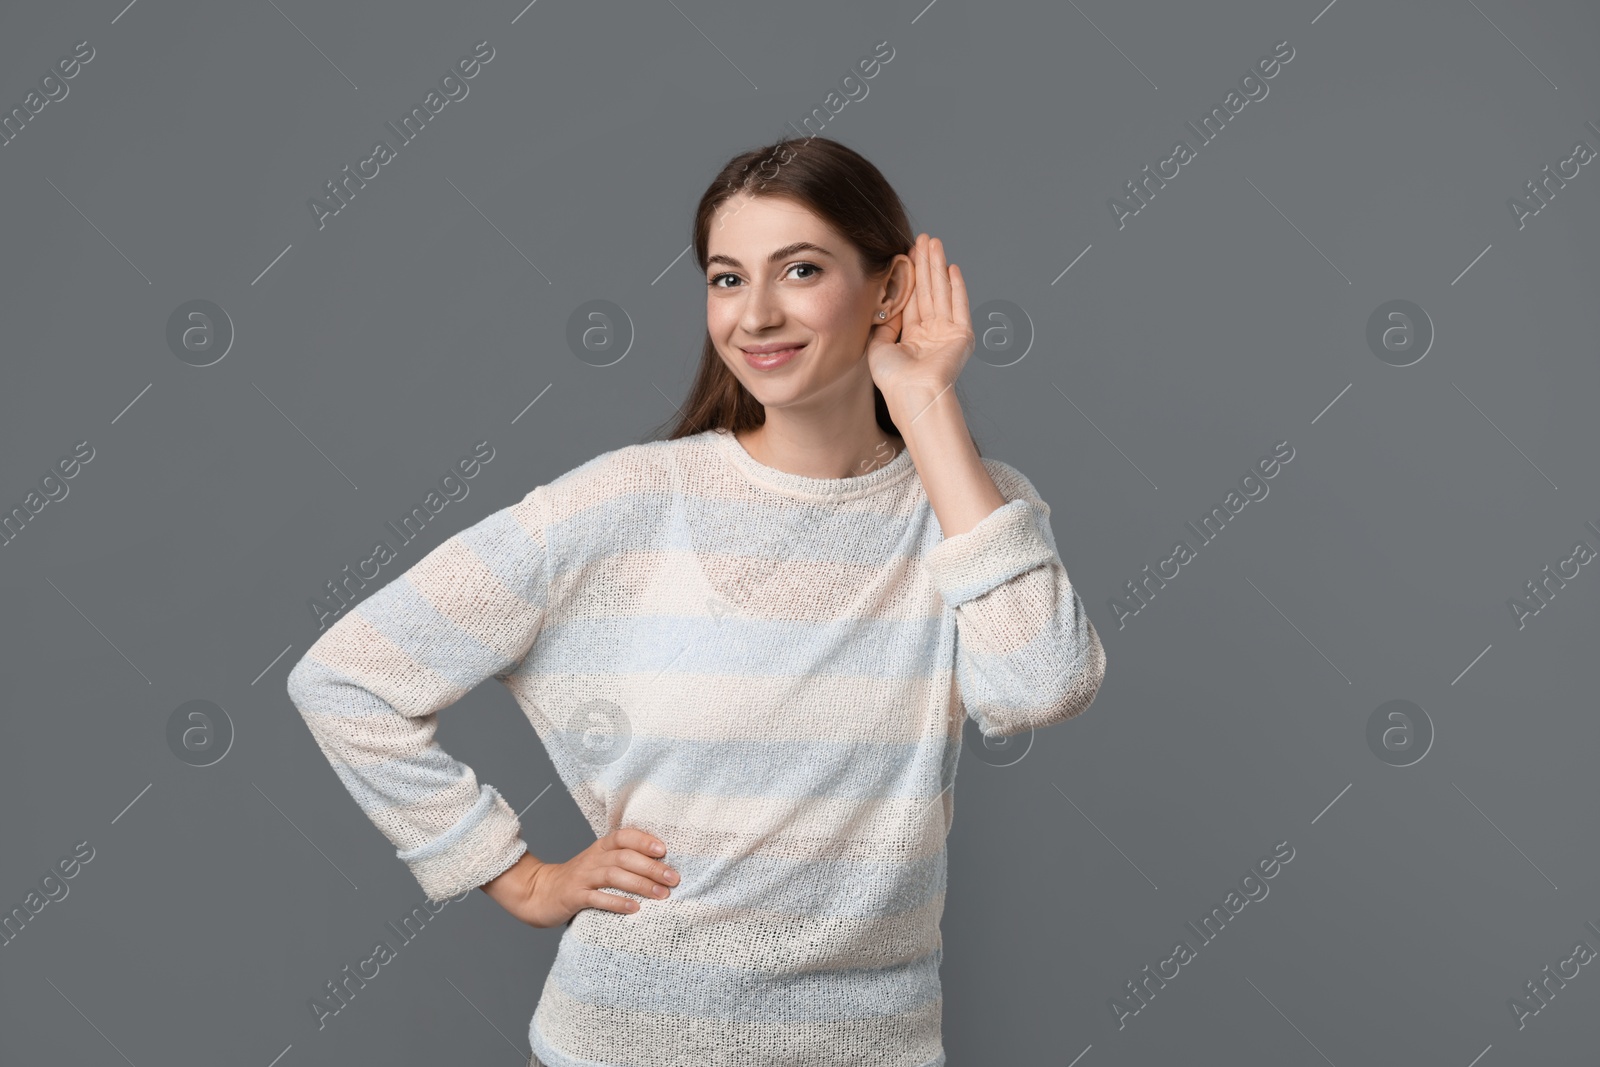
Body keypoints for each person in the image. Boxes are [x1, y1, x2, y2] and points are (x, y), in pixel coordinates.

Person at [286, 135, 1107, 1067]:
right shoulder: (630, 502)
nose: (756, 314)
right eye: (726, 278)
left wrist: (924, 406)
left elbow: (1041, 685)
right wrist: (518, 879)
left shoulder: (970, 506)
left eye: (800, 269)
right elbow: (348, 679)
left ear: (890, 289)